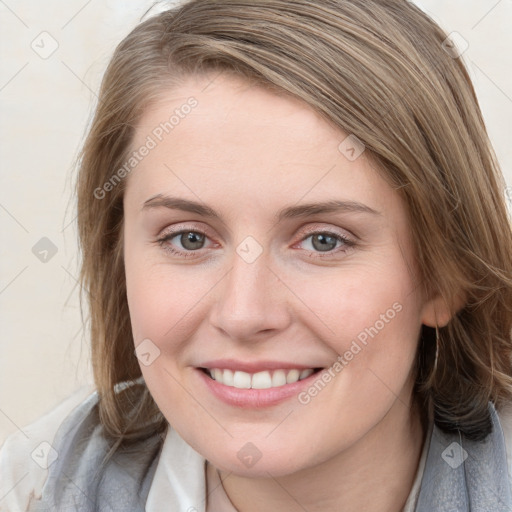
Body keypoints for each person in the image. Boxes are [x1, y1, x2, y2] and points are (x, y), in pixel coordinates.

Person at [2, 0, 512, 511]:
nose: (244, 314)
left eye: (323, 241)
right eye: (189, 239)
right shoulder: (28, 486)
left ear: (447, 274)